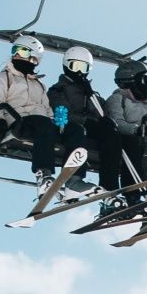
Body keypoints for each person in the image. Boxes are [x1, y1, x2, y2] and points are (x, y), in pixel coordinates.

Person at [0, 39, 61, 180]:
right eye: (14, 50)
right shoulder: (4, 77)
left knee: (74, 130)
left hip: (42, 124)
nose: (16, 54)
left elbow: (47, 109)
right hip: (18, 120)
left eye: (22, 51)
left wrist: (55, 123)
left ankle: (74, 181)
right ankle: (43, 172)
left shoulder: (39, 84)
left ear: (34, 58)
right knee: (43, 124)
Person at [100, 59, 147, 207]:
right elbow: (116, 122)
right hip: (130, 142)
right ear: (130, 80)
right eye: (144, 79)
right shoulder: (117, 99)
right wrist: (137, 129)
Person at [45, 46, 108, 191]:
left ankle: (110, 185)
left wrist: (91, 95)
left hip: (87, 129)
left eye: (83, 67)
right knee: (77, 130)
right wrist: (86, 121)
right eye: (75, 66)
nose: (79, 71)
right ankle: (73, 180)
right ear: (67, 65)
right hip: (65, 128)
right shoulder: (58, 89)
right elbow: (62, 113)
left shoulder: (91, 93)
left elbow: (102, 113)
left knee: (111, 134)